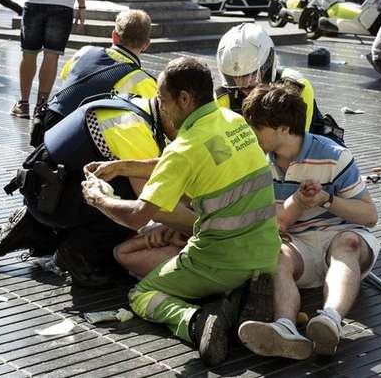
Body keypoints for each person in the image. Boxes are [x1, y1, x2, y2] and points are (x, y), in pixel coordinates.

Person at [82, 57, 281, 366]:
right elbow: (181, 163)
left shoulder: (184, 148)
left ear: (184, 99)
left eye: (162, 100)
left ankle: (196, 321)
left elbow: (137, 216)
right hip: (268, 251)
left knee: (141, 294)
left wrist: (98, 199)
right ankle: (241, 298)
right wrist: (121, 166)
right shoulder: (233, 121)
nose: (160, 109)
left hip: (220, 260)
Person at [0, 92, 195, 286]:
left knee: (116, 180)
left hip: (42, 189)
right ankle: (78, 254)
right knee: (127, 204)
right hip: (55, 198)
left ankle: (35, 228)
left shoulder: (138, 106)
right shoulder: (135, 129)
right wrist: (203, 227)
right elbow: (150, 206)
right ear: (173, 105)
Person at [237, 85, 378, 360]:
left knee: (347, 243)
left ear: (283, 128)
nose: (250, 135)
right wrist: (299, 201)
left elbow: (369, 216)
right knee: (275, 254)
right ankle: (285, 327)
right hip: (297, 243)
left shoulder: (334, 156)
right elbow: (278, 224)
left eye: (257, 128)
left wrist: (327, 200)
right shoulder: (256, 163)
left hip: (339, 236)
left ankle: (330, 319)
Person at [24, 9, 154, 146]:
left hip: (51, 127)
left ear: (114, 36)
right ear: (146, 45)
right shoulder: (142, 80)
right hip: (83, 138)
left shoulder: (84, 52)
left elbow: (66, 77)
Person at [215, 23, 344, 145]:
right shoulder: (223, 96)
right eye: (234, 77)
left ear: (268, 65)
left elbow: (295, 144)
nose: (243, 84)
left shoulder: (296, 87)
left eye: (251, 74)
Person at [17, 0, 86, 118]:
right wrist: (82, 5)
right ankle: (41, 106)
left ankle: (23, 103)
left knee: (29, 53)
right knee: (51, 54)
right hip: (61, 1)